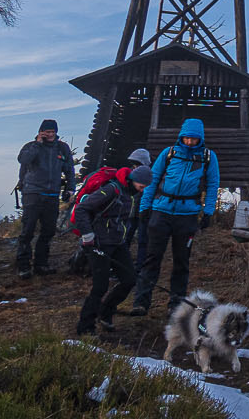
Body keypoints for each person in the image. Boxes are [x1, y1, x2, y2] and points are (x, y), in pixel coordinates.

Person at [130, 118, 219, 316]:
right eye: (186, 138)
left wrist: (208, 212)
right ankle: (141, 302)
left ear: (200, 139)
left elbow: (213, 185)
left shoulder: (208, 157)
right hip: (161, 211)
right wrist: (145, 207)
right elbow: (152, 180)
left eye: (194, 139)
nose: (189, 142)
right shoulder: (169, 153)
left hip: (187, 215)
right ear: (181, 136)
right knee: (152, 259)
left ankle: (175, 304)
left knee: (181, 261)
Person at [74, 165, 151, 336]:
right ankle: (85, 327)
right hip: (99, 243)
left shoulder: (130, 194)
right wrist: (88, 235)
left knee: (129, 279)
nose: (143, 189)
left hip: (118, 243)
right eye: (142, 185)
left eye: (146, 187)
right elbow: (82, 209)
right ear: (134, 180)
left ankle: (106, 312)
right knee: (100, 287)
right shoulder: (112, 189)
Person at [67, 148, 152, 273]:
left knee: (119, 243)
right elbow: (84, 208)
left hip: (121, 223)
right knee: (102, 248)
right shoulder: (121, 184)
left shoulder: (135, 178)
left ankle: (89, 265)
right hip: (111, 226)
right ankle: (81, 265)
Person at [14, 119, 75, 278]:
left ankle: (41, 264)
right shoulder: (31, 147)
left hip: (52, 194)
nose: (50, 135)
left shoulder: (62, 148)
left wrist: (70, 188)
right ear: (41, 132)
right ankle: (23, 266)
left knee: (48, 231)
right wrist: (38, 143)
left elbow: (69, 170)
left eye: (52, 132)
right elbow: (23, 160)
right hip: (32, 193)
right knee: (28, 231)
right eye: (46, 132)